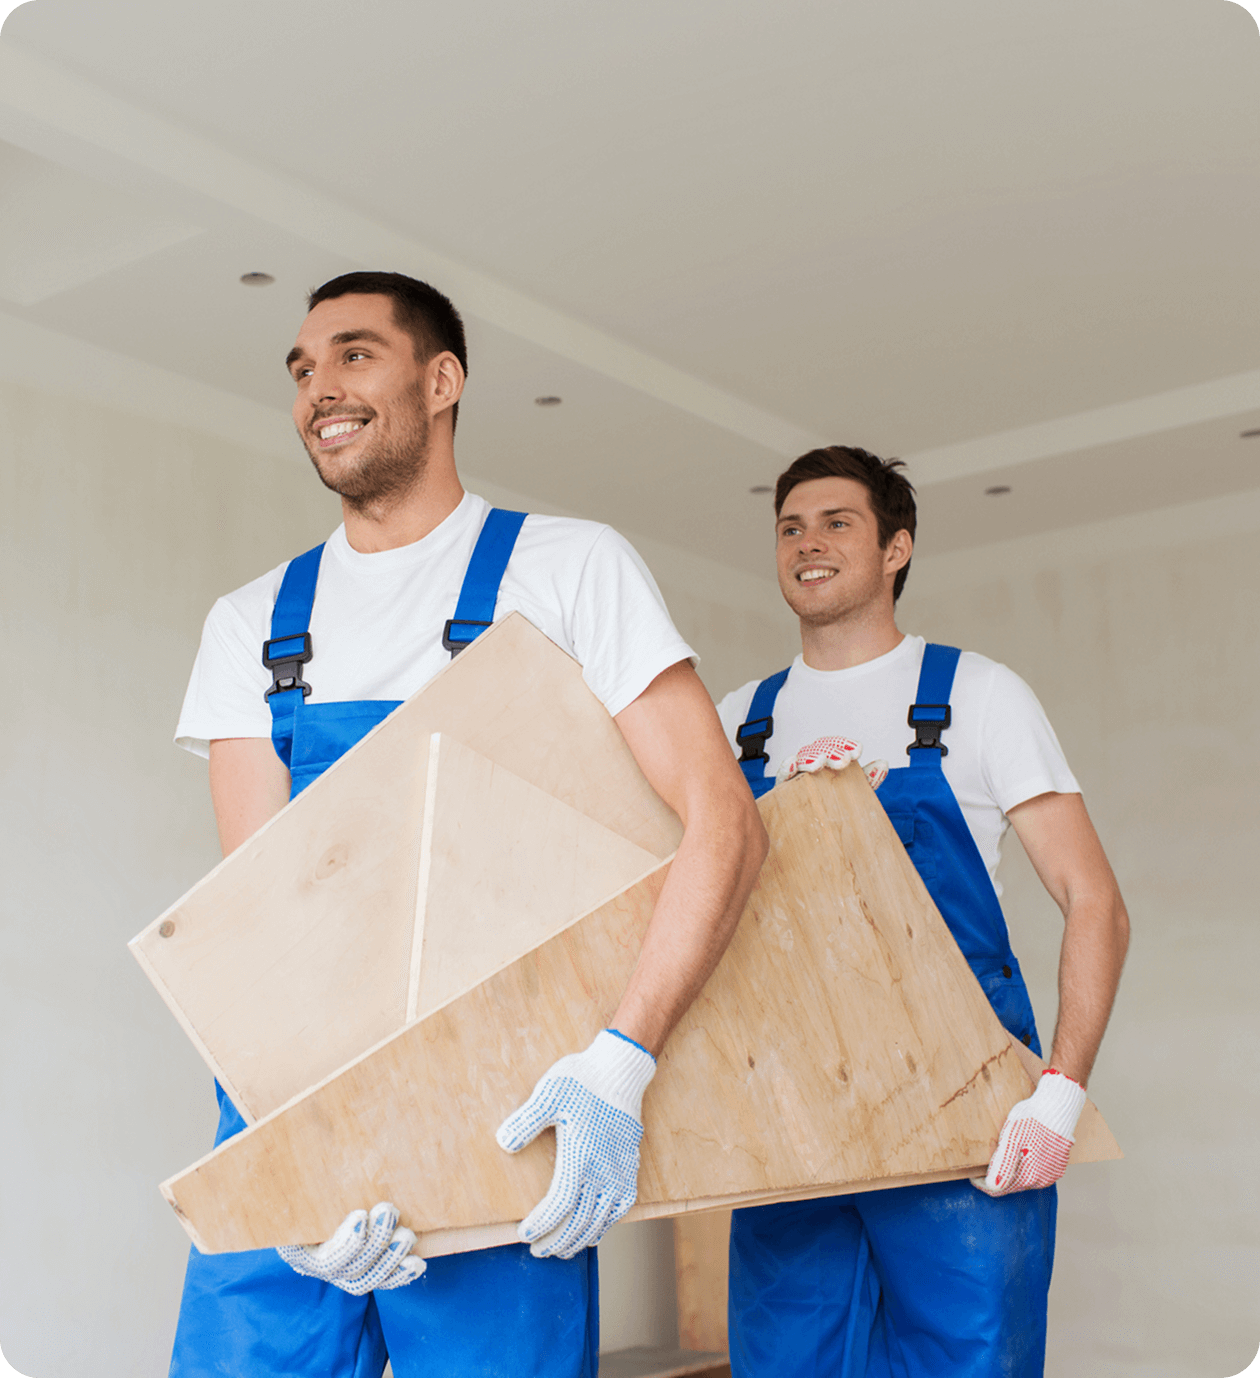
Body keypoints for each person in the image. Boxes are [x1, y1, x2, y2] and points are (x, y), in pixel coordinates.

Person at [169, 270, 767, 1378]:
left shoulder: (567, 570)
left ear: (442, 380)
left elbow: (725, 826)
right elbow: (254, 927)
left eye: (353, 353)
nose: (317, 387)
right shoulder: (251, 625)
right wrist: (298, 1171)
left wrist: (620, 1064)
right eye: (301, 368)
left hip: (507, 1115)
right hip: (294, 1116)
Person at [715, 445, 1130, 1378]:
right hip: (791, 1121)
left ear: (896, 548)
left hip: (961, 1110)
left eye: (837, 523)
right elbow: (691, 907)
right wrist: (794, 816)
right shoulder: (743, 720)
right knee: (785, 1363)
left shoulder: (976, 696)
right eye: (789, 527)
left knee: (968, 1362)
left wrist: (1060, 1090)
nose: (806, 543)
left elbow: (1095, 901)